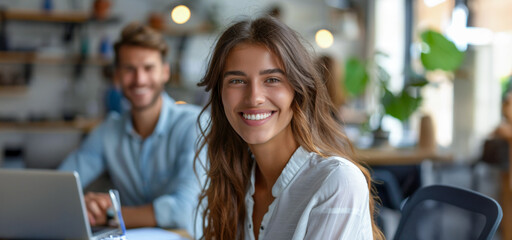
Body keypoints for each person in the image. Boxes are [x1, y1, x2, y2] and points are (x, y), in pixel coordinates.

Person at [195, 16, 384, 239]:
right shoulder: (235, 180)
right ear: (220, 96)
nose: (254, 97)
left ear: (298, 89)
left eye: (272, 79)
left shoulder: (336, 181)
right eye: (237, 81)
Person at [59, 22, 204, 234]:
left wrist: (111, 213)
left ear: (165, 72)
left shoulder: (196, 124)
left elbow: (182, 211)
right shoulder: (108, 130)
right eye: (129, 69)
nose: (139, 79)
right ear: (117, 76)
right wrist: (84, 203)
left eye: (148, 68)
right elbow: (62, 184)